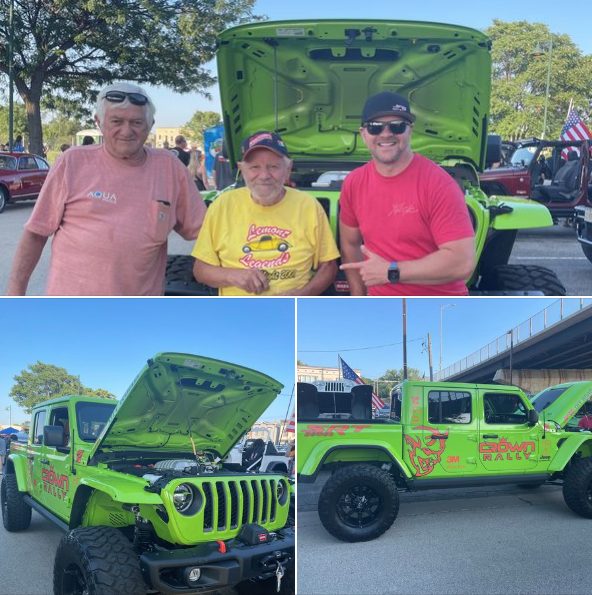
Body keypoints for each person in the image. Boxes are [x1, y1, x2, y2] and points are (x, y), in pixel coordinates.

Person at [7, 82, 206, 296]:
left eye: (137, 122)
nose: (126, 131)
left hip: (139, 314)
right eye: (116, 121)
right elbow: (36, 233)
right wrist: (15, 293)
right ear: (99, 122)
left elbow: (204, 231)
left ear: (150, 125)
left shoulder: (170, 168)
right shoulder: (72, 162)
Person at [339, 91, 475, 296]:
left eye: (397, 126)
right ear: (363, 133)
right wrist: (359, 298)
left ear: (410, 130)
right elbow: (350, 244)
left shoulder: (438, 184)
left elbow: (462, 262)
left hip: (438, 308)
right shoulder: (354, 183)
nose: (386, 134)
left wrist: (391, 272)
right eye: (375, 127)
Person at [192, 131, 339, 296]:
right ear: (242, 169)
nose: (264, 176)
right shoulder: (222, 206)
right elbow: (200, 270)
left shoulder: (308, 205)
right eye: (255, 167)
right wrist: (232, 275)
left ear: (288, 169)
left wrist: (302, 295)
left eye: (273, 167)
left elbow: (328, 266)